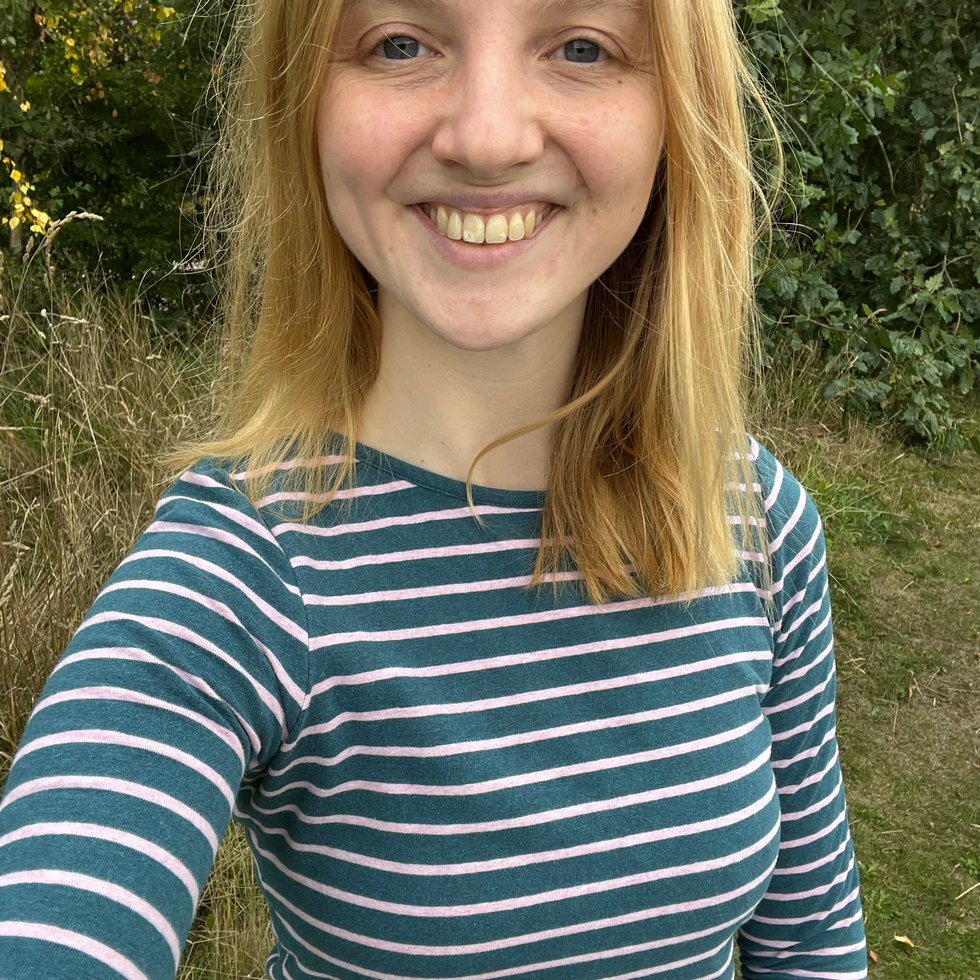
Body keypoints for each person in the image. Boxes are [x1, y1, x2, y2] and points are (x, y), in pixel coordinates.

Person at [0, 0, 868, 976]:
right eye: (401, 44)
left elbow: (811, 939)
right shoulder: (241, 576)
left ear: (678, 109)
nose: (487, 139)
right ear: (304, 103)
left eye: (582, 47)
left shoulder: (753, 519)